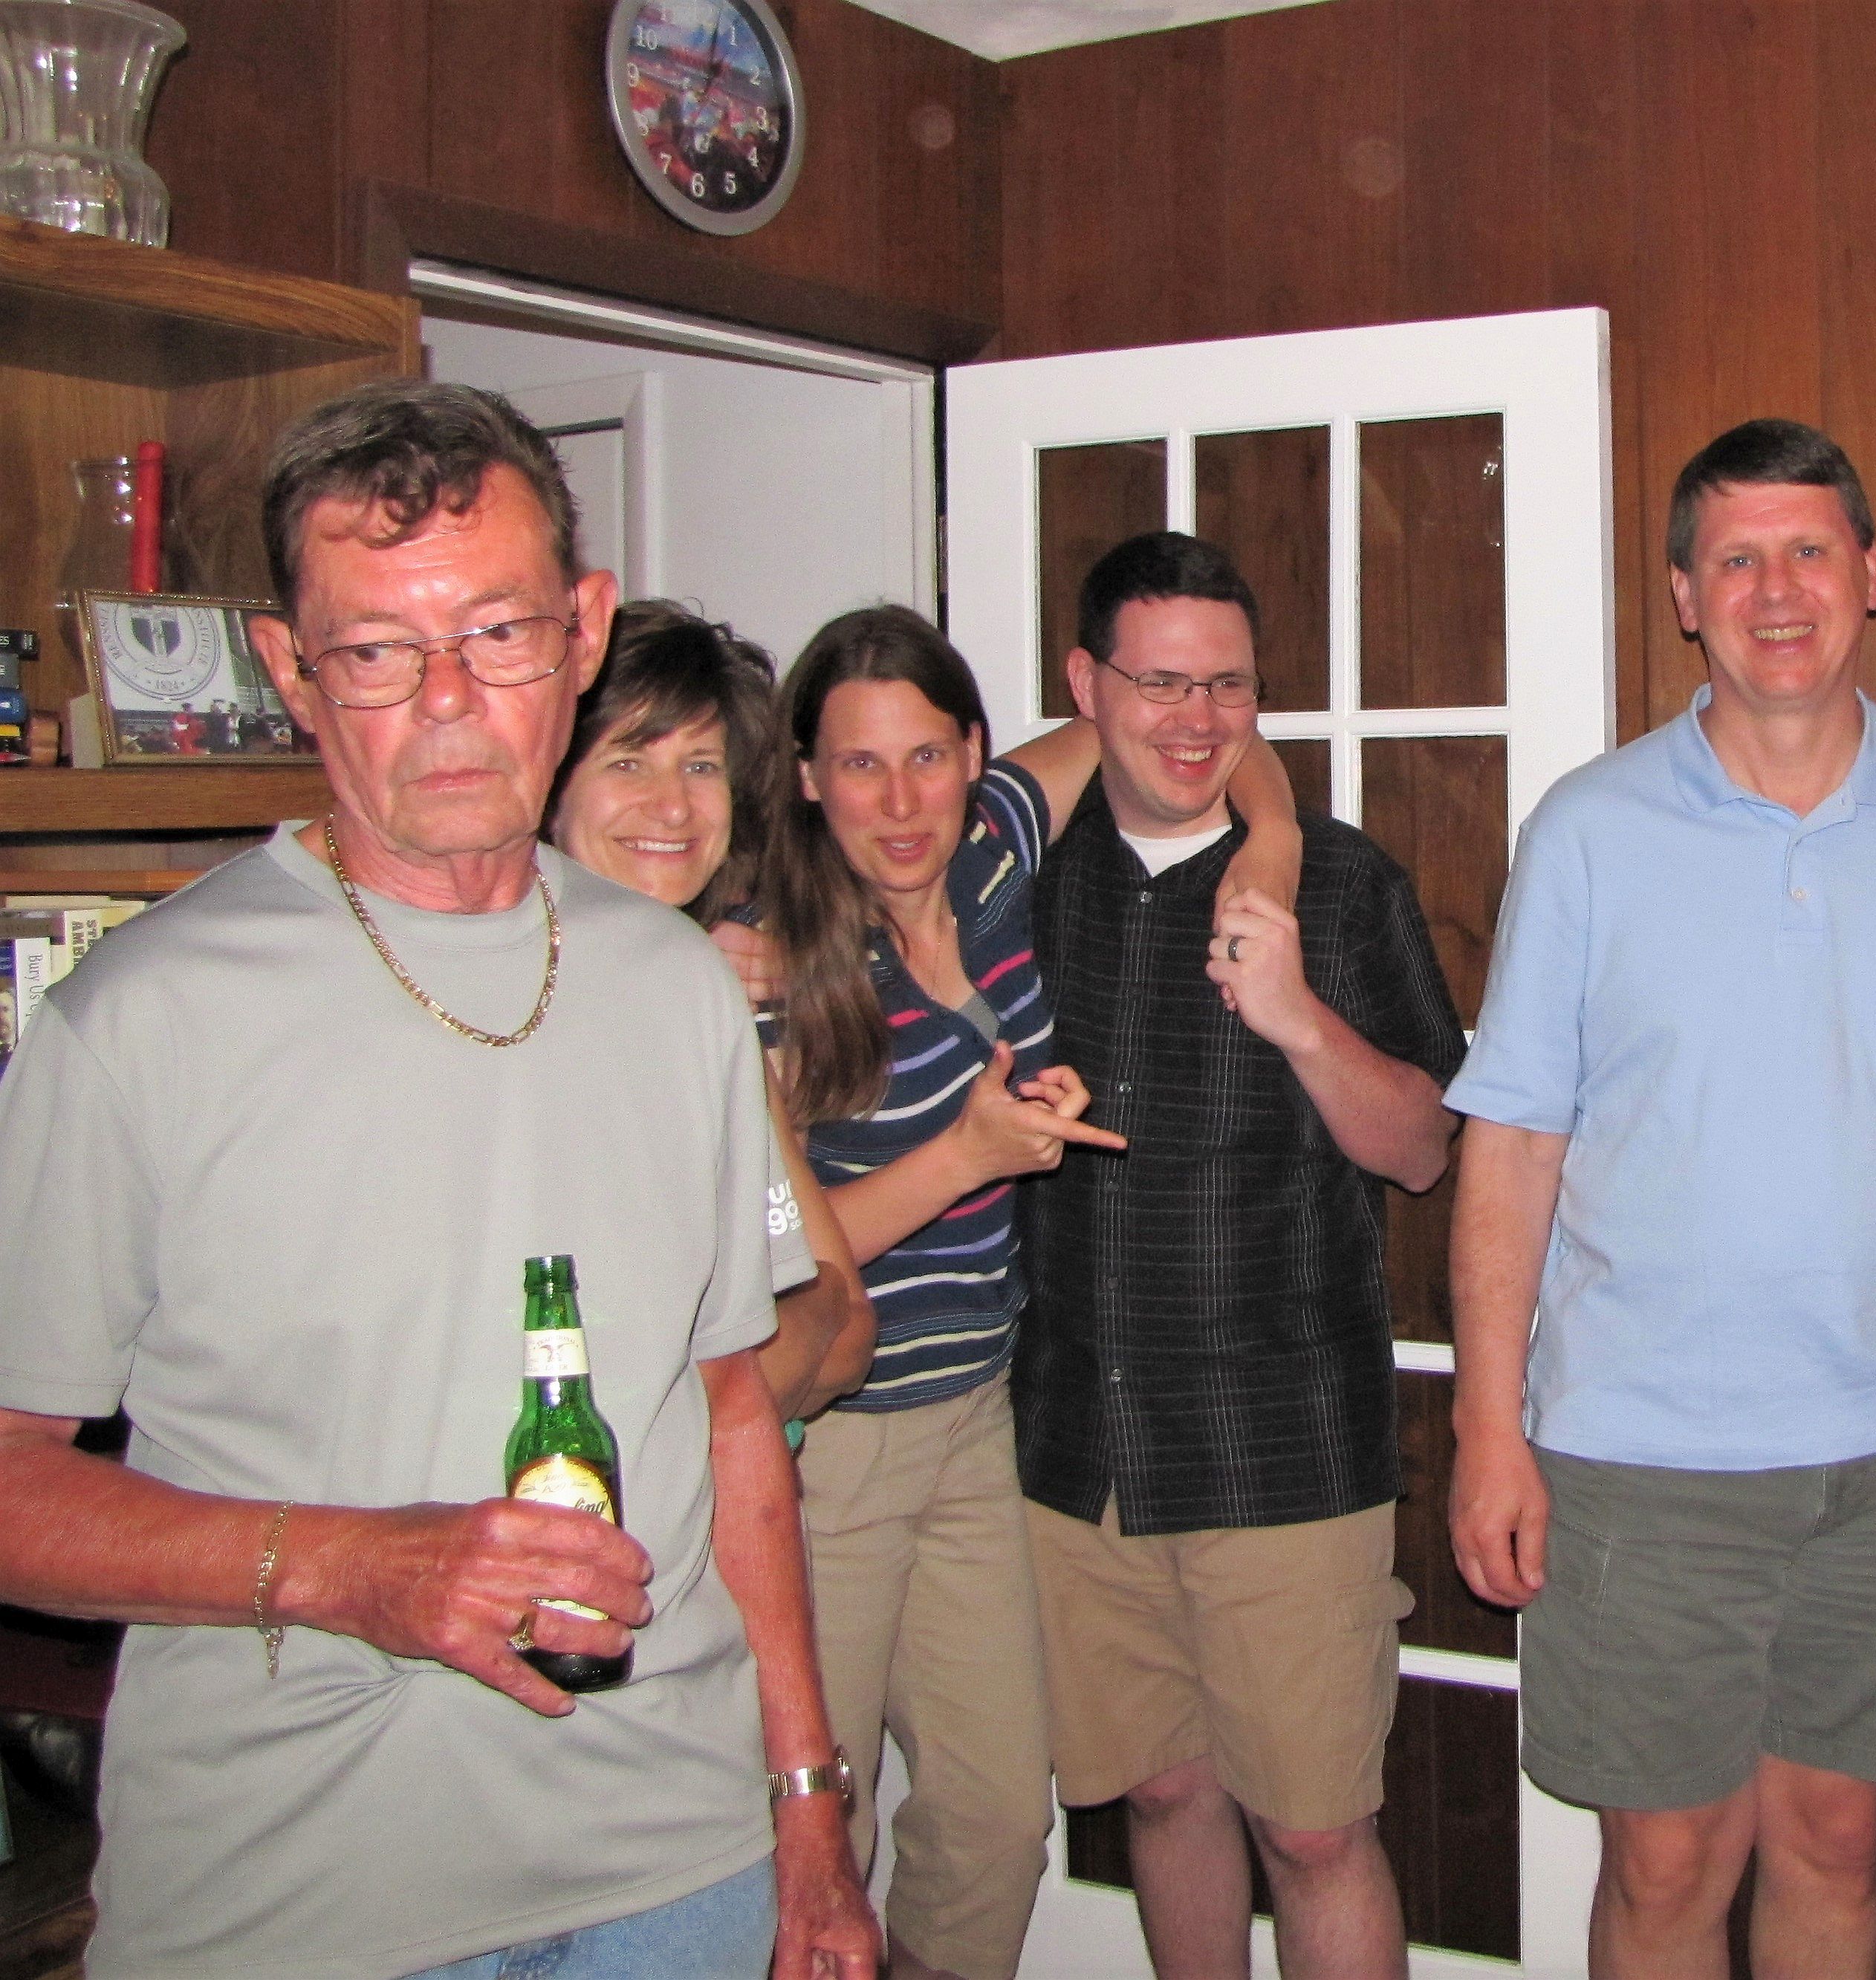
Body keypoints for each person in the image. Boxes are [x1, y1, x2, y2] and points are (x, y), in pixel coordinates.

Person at [0, 379, 877, 1977]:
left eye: (499, 634)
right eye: (379, 650)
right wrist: (352, 1568)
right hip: (295, 1901)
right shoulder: (134, 1020)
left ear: (584, 629)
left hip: (677, 1877)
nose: (453, 700)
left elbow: (732, 1417)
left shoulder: (675, 987)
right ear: (290, 671)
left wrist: (809, 1811)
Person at [1446, 419, 1876, 1978]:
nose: (1776, 591)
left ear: (1870, 574)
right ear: (1684, 596)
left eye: (1808, 551)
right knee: (1666, 1865)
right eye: (1736, 559)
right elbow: (1513, 1142)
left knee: (1839, 1841)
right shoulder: (1590, 830)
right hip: (1644, 1456)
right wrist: (1486, 1430)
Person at [756, 605, 1301, 1980]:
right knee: (816, 1841)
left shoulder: (995, 843)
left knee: (999, 1822)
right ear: (808, 778)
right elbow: (783, 1253)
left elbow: (1191, 727)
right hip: (831, 1450)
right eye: (860, 765)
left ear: (974, 753)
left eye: (926, 758)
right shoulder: (772, 963)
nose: (901, 803)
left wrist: (1274, 850)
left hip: (973, 1422)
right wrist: (969, 1154)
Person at [1015, 532, 1467, 1979]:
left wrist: (1296, 1019)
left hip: (1283, 1450)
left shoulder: (1338, 885)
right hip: (1079, 1446)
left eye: (1227, 685)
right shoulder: (1022, 879)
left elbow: (1423, 1148)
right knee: (1163, 1795)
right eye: (1158, 682)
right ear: (1086, 683)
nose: (1196, 719)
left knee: (1320, 1833)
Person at [548, 600, 873, 1426]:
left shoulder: (706, 1006)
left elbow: (848, 1333)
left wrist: (813, 1313)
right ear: (550, 784)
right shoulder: (519, 1018)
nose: (673, 807)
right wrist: (808, 1314)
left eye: (700, 765)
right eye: (629, 761)